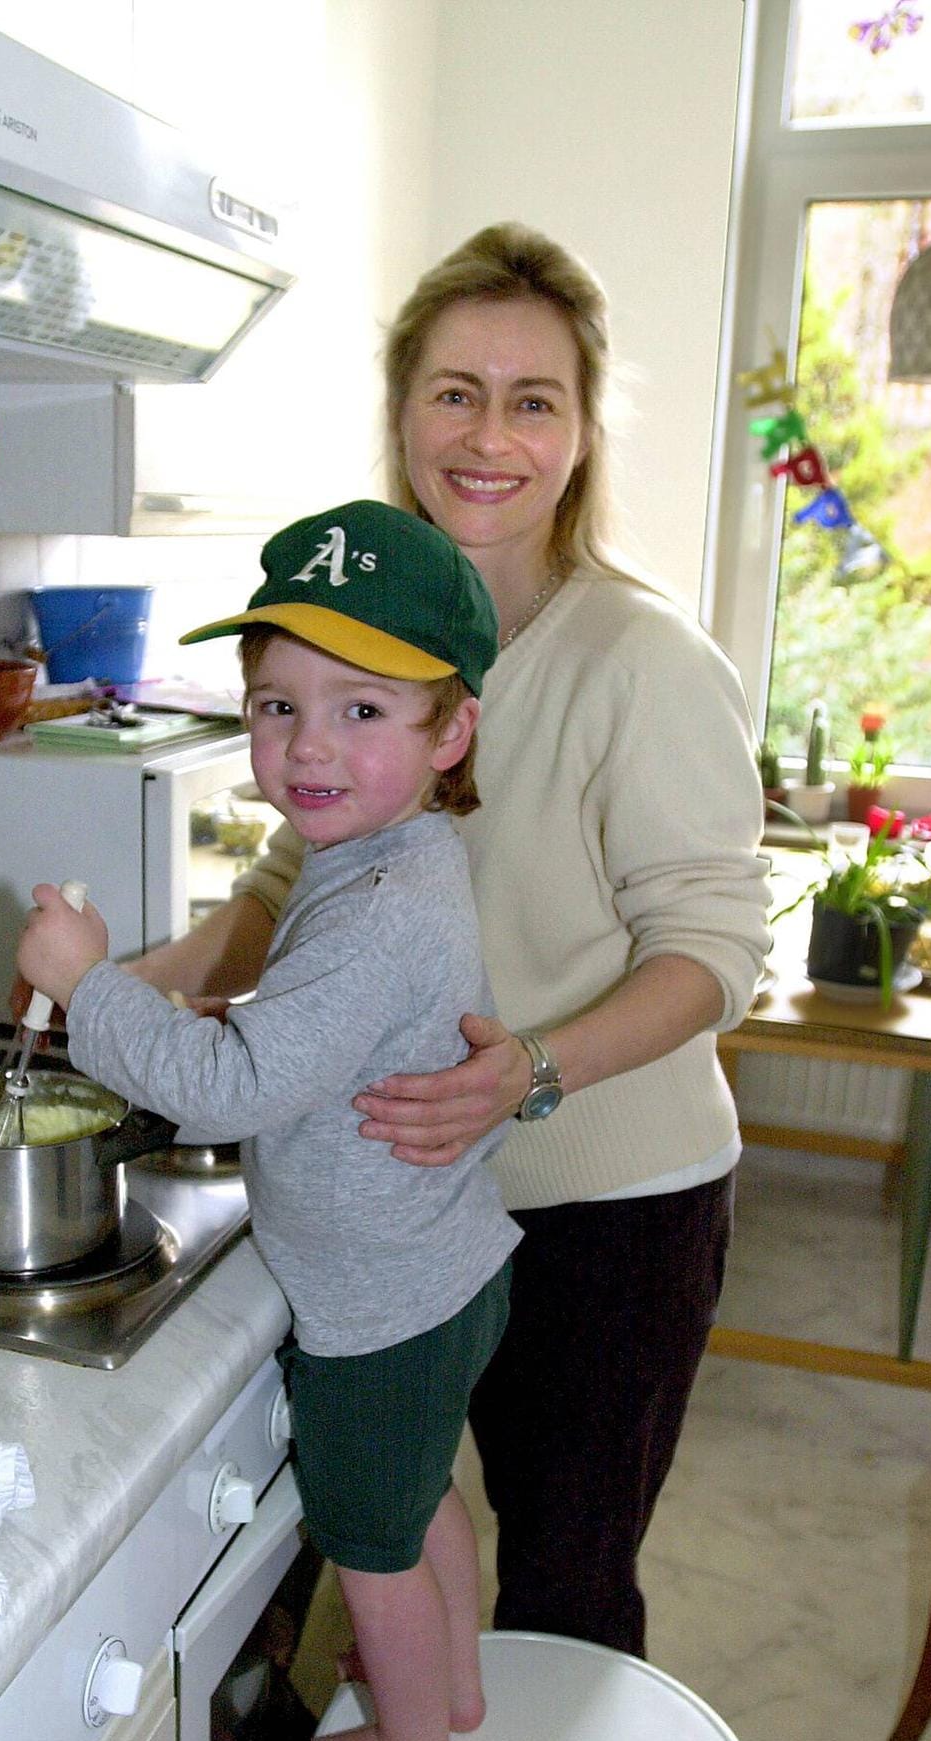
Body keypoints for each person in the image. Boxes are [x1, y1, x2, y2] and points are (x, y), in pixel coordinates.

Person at [129, 225, 772, 1660]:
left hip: (608, 1208)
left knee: (563, 1584)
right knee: (398, 1530)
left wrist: (527, 1069)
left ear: (584, 433)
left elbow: (713, 953)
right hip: (411, 1205)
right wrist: (150, 980)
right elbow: (294, 878)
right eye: (454, 392)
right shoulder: (380, 632)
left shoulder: (642, 660)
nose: (489, 436)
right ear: (404, 410)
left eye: (533, 399)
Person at [16, 498, 521, 1741]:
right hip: (449, 1267)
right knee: (425, 1501)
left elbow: (222, 1096)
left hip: (376, 1312)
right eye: (275, 705)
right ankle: (455, 1688)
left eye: (362, 711)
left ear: (449, 729)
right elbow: (318, 1036)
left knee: (371, 1550)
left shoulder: (381, 905)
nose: (307, 747)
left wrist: (89, 987)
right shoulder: (394, 856)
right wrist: (232, 1017)